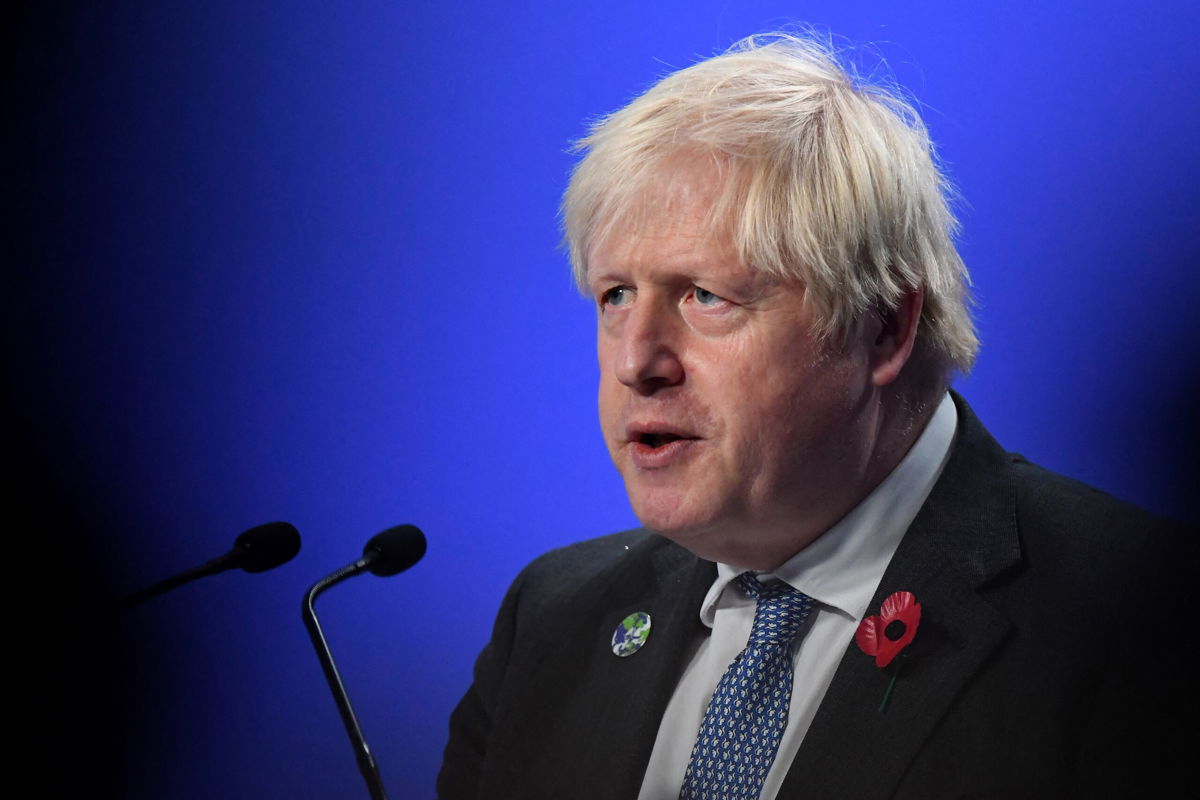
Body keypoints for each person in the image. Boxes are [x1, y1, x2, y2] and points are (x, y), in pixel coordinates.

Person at [438, 32, 1195, 799]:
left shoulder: (1145, 618)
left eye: (707, 295)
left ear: (882, 329)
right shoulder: (553, 617)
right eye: (616, 296)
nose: (638, 362)